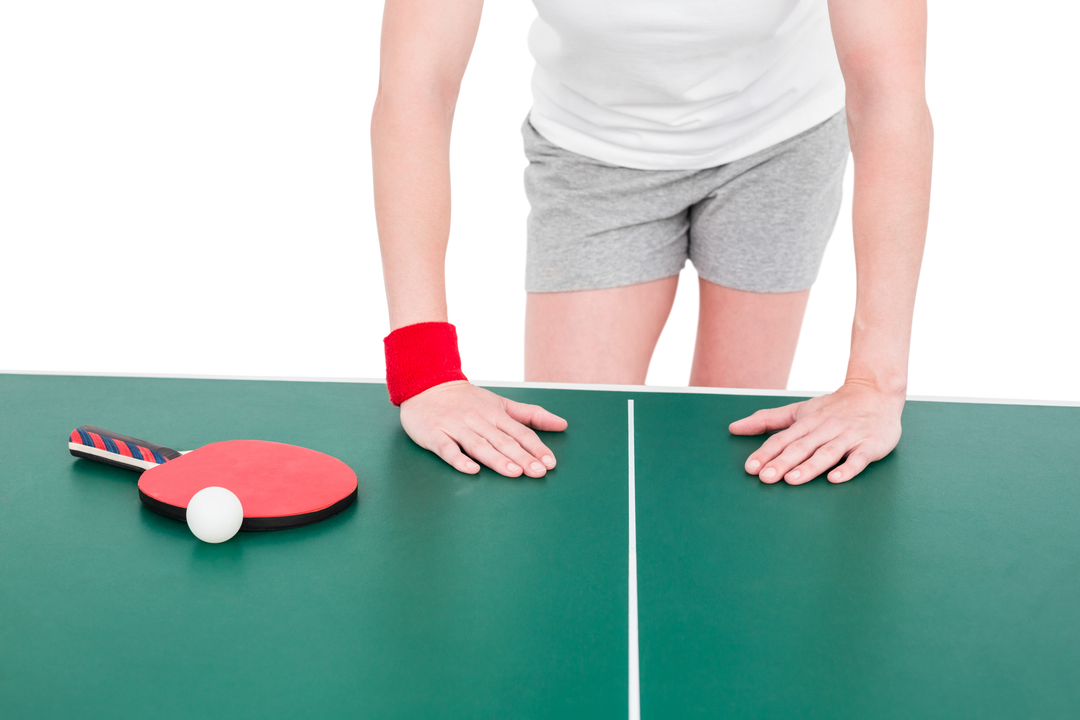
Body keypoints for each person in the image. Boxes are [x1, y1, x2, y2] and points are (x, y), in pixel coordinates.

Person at [369, 0, 935, 485]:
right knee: (572, 452)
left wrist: (874, 383)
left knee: (737, 454)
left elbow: (891, 101)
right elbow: (415, 94)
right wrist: (426, 371)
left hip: (779, 140)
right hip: (593, 146)